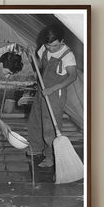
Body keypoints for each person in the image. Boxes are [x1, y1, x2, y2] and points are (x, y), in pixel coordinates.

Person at [27, 25, 77, 168]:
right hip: (42, 89)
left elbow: (72, 77)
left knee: (50, 126)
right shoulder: (44, 48)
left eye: (55, 46)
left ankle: (50, 157)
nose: (51, 49)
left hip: (56, 93)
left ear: (62, 41)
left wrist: (52, 88)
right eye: (49, 46)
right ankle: (35, 149)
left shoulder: (68, 55)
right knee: (35, 120)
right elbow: (39, 66)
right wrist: (32, 55)